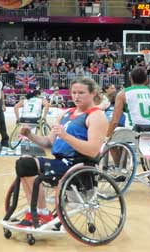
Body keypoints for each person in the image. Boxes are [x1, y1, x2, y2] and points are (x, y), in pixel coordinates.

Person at [14, 77, 107, 227]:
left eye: (81, 92)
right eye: (74, 92)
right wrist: (29, 135)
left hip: (78, 165)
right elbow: (48, 143)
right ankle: (37, 211)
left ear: (93, 93)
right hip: (60, 162)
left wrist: (66, 136)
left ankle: (42, 213)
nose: (76, 96)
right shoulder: (65, 114)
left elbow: (93, 150)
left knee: (26, 164)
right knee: (23, 163)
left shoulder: (96, 116)